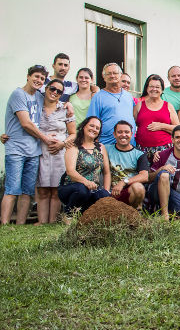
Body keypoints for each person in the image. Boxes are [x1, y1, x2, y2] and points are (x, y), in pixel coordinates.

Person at [2, 65, 55, 225]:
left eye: (42, 78)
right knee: (12, 190)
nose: (39, 80)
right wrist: (45, 139)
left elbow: (54, 100)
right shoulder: (18, 94)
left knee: (27, 191)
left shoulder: (39, 96)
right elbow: (26, 123)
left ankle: (20, 224)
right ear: (28, 76)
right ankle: (5, 225)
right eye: (36, 76)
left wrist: (69, 105)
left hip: (33, 151)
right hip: (16, 150)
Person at [35, 78, 76, 224]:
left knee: (55, 190)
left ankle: (52, 222)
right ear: (46, 88)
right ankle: (41, 222)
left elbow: (73, 133)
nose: (55, 92)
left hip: (58, 153)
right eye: (52, 89)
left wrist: (62, 144)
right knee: (42, 190)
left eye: (59, 91)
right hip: (40, 152)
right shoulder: (35, 106)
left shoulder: (65, 109)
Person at [57, 116, 111, 216]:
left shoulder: (101, 148)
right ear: (83, 126)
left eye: (97, 128)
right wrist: (86, 182)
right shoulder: (73, 146)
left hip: (92, 189)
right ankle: (68, 214)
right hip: (70, 187)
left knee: (104, 197)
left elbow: (106, 172)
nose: (94, 129)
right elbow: (70, 171)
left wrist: (107, 190)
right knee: (82, 190)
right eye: (91, 125)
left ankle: (82, 215)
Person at [87, 63, 136, 146]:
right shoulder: (98, 97)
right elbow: (91, 122)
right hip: (107, 145)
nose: (112, 76)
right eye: (108, 73)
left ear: (120, 75)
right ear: (104, 77)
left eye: (115, 73)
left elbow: (135, 116)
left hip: (129, 146)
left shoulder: (128, 95)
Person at [106, 120, 149, 210]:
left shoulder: (139, 154)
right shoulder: (106, 149)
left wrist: (123, 183)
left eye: (126, 132)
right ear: (114, 134)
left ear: (132, 134)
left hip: (129, 193)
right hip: (109, 193)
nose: (123, 135)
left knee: (139, 188)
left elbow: (144, 176)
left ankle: (131, 212)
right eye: (119, 132)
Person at [135, 75, 179, 157]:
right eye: (151, 86)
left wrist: (161, 126)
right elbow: (132, 125)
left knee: (163, 169)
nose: (154, 89)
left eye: (157, 87)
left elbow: (177, 129)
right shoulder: (139, 105)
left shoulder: (168, 106)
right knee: (144, 170)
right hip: (142, 149)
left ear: (162, 90)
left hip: (164, 149)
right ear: (147, 89)